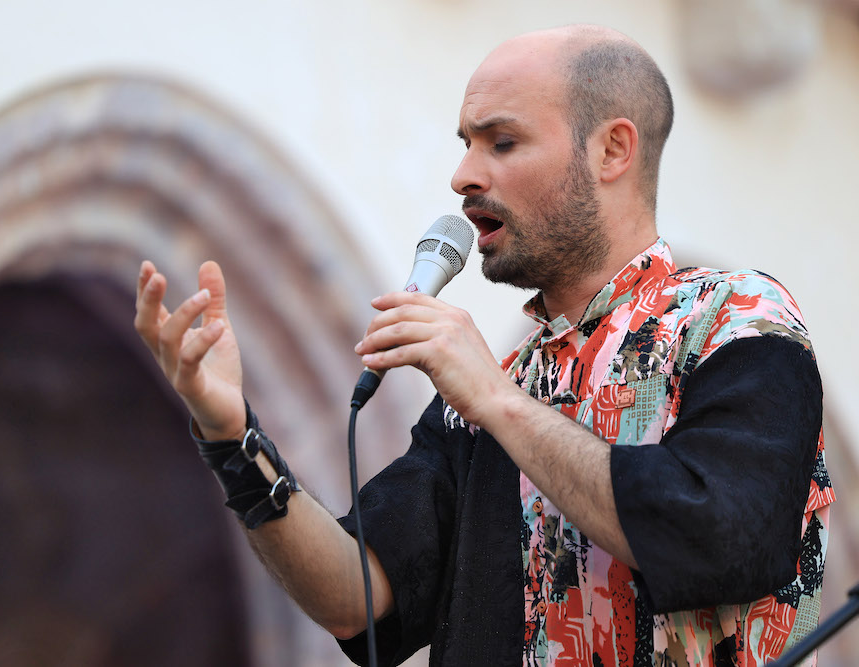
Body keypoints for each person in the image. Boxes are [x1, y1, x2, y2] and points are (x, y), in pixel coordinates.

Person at [133, 24, 834, 667]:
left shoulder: (737, 321)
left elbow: (720, 535)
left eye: (500, 142)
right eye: (465, 142)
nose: (463, 175)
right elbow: (358, 596)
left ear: (613, 149)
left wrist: (499, 401)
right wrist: (232, 439)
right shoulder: (485, 395)